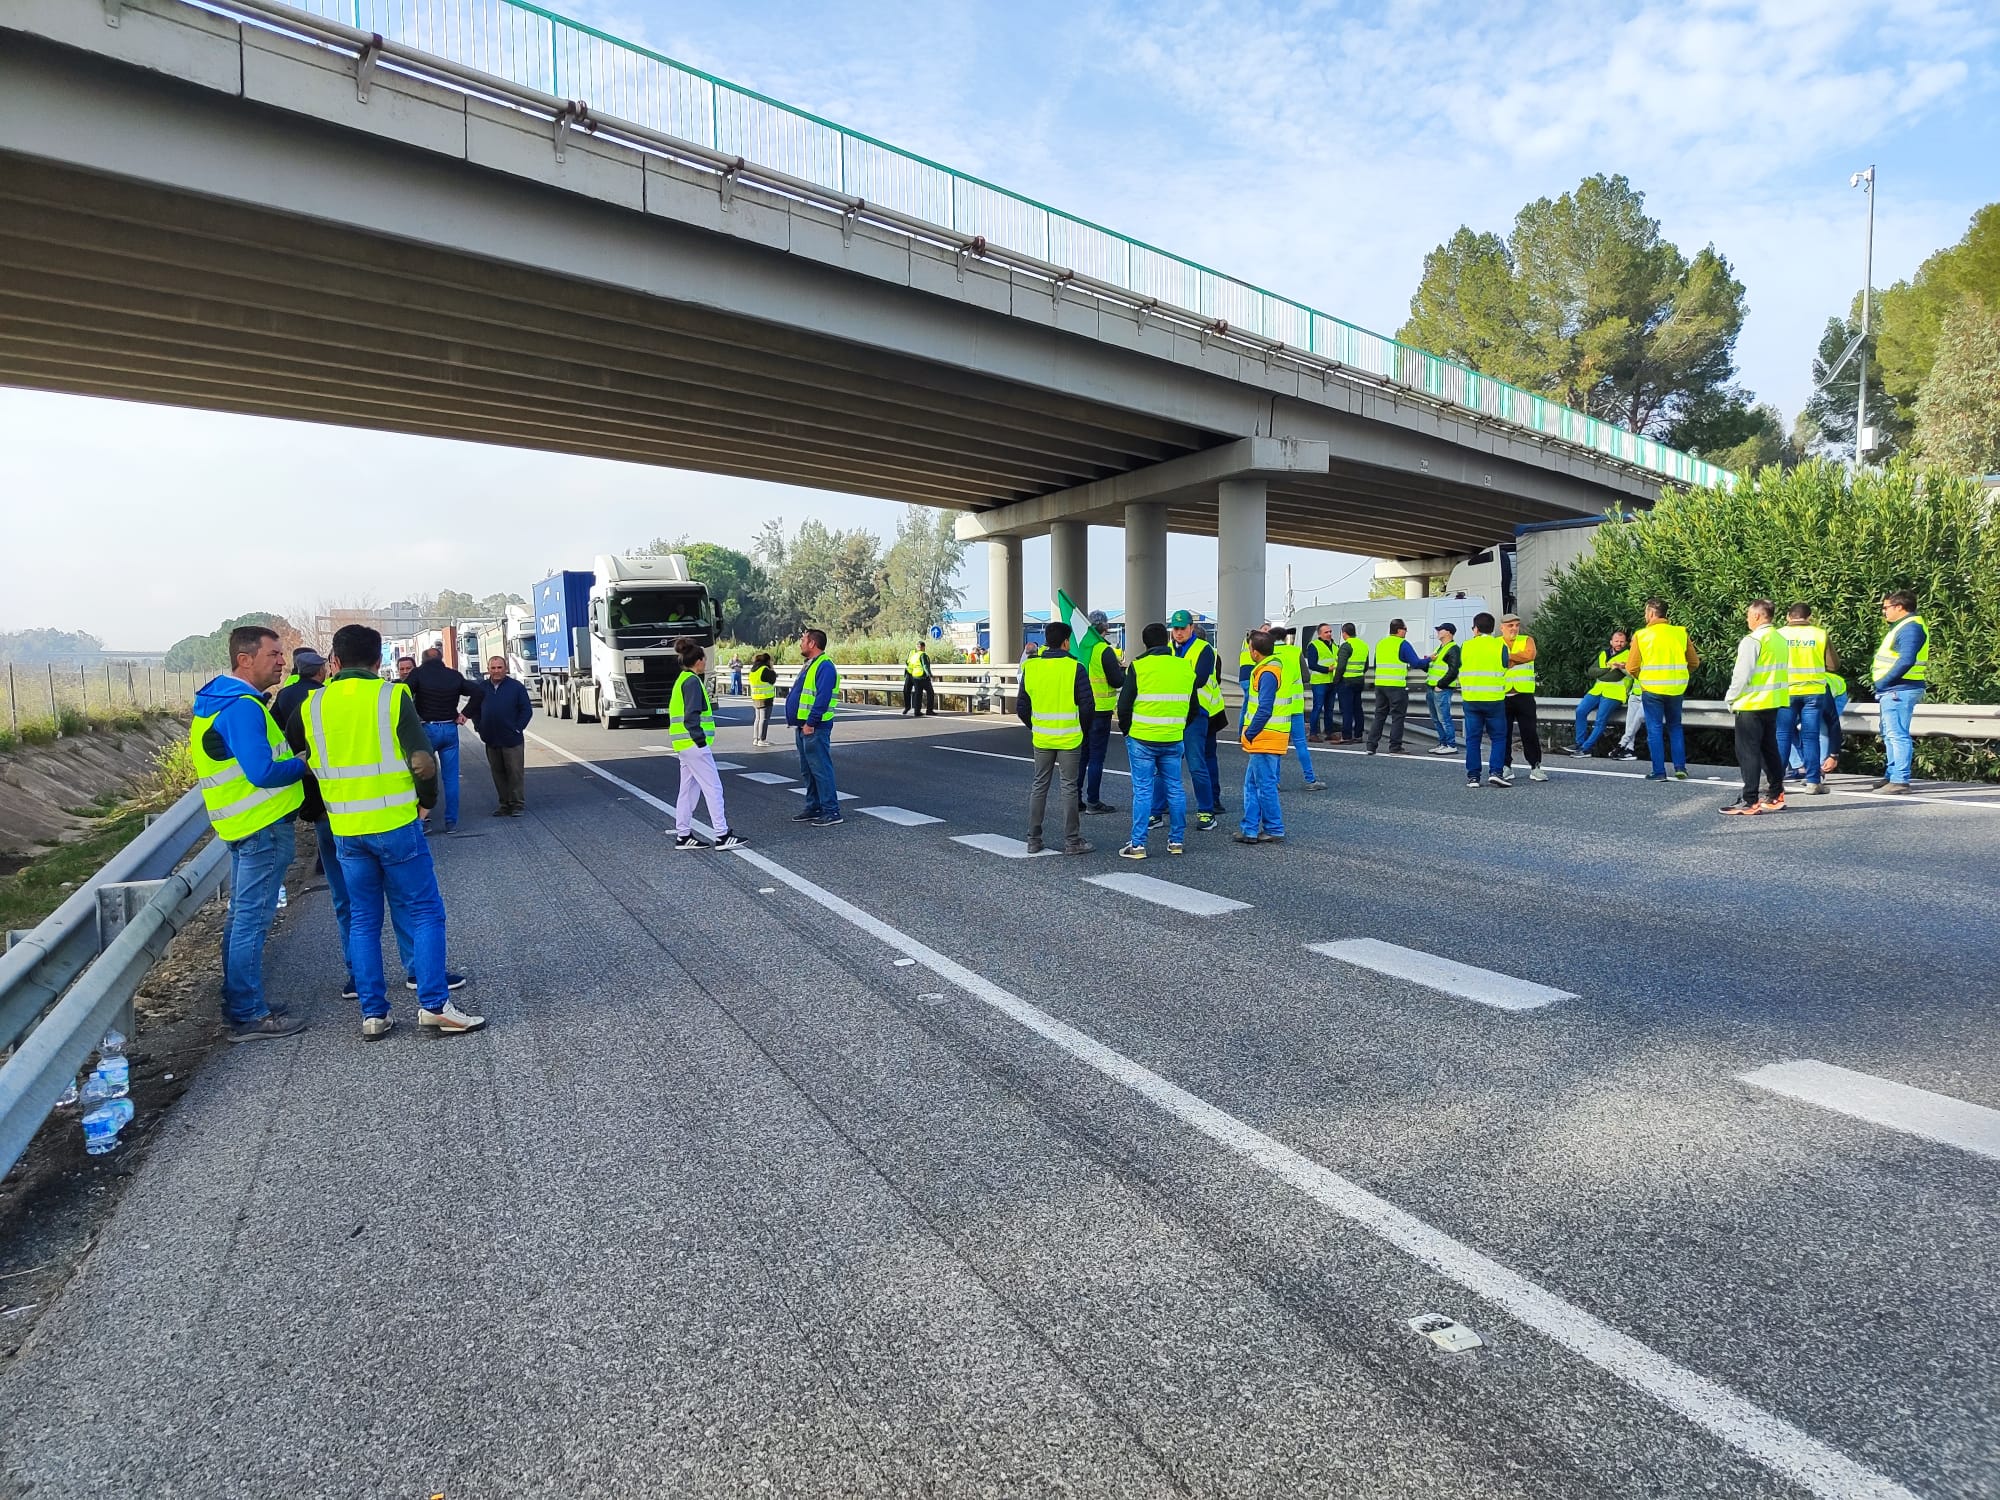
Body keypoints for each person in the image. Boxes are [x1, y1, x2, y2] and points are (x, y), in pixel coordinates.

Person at [305, 624, 483, 1038]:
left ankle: (374, 1014)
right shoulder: (390, 695)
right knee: (424, 910)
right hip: (395, 823)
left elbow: (311, 763)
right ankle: (434, 1005)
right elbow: (421, 759)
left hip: (346, 828)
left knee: (364, 920)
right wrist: (428, 800)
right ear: (376, 660)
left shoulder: (314, 705)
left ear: (334, 659)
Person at [189, 625, 311, 1042]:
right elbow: (263, 772)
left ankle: (241, 1002)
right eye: (274, 654)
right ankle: (248, 1013)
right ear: (245, 659)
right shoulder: (242, 707)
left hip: (242, 826)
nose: (282, 661)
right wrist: (303, 762)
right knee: (252, 920)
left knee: (242, 917)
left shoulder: (216, 702)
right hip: (262, 828)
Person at [1115, 622, 1194, 860]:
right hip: (1172, 737)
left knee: (1143, 790)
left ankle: (1138, 845)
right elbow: (1193, 707)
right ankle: (1176, 841)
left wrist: (1127, 731)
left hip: (1142, 738)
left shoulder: (1139, 666)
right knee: (1175, 788)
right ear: (1168, 638)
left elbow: (1124, 705)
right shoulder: (1184, 667)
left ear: (1145, 643)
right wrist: (1178, 726)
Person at [1016, 621, 1093, 855]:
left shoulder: (1032, 667)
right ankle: (1072, 841)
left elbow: (1021, 706)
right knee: (1069, 787)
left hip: (1042, 738)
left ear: (1047, 641)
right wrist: (1082, 729)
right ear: (1066, 642)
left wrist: (1036, 725)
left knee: (1039, 786)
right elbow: (1088, 706)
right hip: (1070, 738)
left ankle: (1033, 840)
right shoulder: (1075, 668)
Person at [666, 639, 746, 850]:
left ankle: (683, 835)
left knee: (688, 790)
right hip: (693, 744)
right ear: (698, 661)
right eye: (705, 659)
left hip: (683, 743)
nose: (705, 662)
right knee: (713, 788)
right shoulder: (692, 681)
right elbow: (691, 714)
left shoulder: (682, 679)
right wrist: (700, 739)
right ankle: (722, 834)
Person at [1722, 599, 1792, 816]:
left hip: (1751, 703)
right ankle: (1775, 794)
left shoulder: (1753, 640)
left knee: (1748, 753)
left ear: (1758, 616)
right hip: (1773, 702)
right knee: (1769, 750)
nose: (1746, 619)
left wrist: (1731, 698)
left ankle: (1749, 800)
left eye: (1748, 615)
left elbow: (1742, 675)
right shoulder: (1780, 639)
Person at [1152, 611, 1219, 830]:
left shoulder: (1204, 649)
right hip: (1171, 714)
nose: (1178, 632)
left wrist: (1173, 679)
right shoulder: (1168, 650)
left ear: (1191, 628)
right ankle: (1156, 812)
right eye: (1175, 628)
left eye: (1182, 628)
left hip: (1195, 714)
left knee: (1196, 763)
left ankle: (1206, 812)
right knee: (1163, 764)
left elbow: (1199, 679)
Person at [1628, 598, 1699, 782]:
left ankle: (1659, 771)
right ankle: (1680, 768)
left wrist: (1643, 678)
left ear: (1651, 613)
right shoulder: (1680, 633)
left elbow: (1632, 667)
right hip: (1676, 688)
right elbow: (1694, 662)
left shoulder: (1641, 635)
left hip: (1651, 688)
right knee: (1675, 727)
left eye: (1646, 612)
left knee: (1655, 729)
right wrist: (1679, 674)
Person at [406, 646, 476, 832]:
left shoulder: (418, 674)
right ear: (441, 658)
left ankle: (422, 820)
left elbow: (403, 694)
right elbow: (478, 692)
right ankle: (451, 822)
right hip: (450, 728)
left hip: (427, 729)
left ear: (422, 660)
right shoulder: (453, 675)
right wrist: (465, 714)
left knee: (423, 776)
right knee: (451, 778)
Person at [1776, 604, 1839, 796]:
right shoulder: (1819, 634)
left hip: (1785, 691)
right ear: (1810, 617)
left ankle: (1776, 782)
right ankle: (1813, 782)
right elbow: (1833, 665)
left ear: (1788, 616)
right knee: (1810, 736)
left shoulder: (1778, 635)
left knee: (1783, 735)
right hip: (1814, 691)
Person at [1232, 629, 1288, 844]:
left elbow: (1264, 708)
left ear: (1254, 651)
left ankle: (1273, 828)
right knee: (1253, 785)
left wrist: (1249, 732)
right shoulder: (1271, 667)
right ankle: (1250, 829)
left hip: (1265, 736)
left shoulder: (1267, 672)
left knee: (1263, 785)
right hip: (1269, 736)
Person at [1871, 590, 1929, 794]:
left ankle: (1900, 780)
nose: (1883, 611)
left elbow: (1906, 660)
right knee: (1890, 734)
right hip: (1896, 688)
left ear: (1899, 607)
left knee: (1897, 735)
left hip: (1899, 688)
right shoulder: (1904, 626)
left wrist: (1884, 681)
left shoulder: (1910, 628)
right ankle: (1892, 775)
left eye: (1886, 607)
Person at [788, 628, 842, 825]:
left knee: (820, 769)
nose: (800, 643)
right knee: (808, 770)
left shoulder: (825, 666)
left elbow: (822, 697)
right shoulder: (810, 665)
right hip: (803, 726)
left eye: (803, 640)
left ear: (812, 644)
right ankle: (814, 806)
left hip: (814, 727)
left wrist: (811, 722)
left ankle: (831, 811)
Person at [470, 654, 533, 816]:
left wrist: (518, 728)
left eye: (499, 667)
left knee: (515, 772)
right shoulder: (481, 688)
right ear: (488, 669)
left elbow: (526, 710)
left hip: (512, 739)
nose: (496, 671)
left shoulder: (516, 687)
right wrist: (479, 727)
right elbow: (474, 709)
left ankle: (517, 804)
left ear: (505, 669)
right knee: (498, 772)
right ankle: (504, 804)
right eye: (493, 668)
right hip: (491, 738)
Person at [1457, 613, 1511, 789]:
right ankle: (1496, 772)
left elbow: (1459, 665)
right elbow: (1505, 665)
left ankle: (1473, 777)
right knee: (1498, 737)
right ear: (1493, 628)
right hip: (1494, 698)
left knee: (1473, 738)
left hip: (1471, 698)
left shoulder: (1466, 645)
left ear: (1476, 629)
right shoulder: (1500, 645)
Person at [1080, 610, 1125, 815]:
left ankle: (1075, 800)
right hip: (1100, 710)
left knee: (1082, 756)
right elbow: (1116, 680)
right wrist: (1122, 670)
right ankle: (1093, 801)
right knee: (1096, 757)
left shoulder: (1080, 649)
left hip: (1081, 710)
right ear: (1105, 629)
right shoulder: (1103, 650)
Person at [1268, 627, 1324, 792]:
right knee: (1300, 744)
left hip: (1275, 708)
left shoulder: (1268, 654)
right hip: (1294, 705)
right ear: (1285, 638)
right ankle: (1310, 779)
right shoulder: (1294, 652)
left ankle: (1275, 781)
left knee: (1276, 747)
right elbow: (1306, 676)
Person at [1497, 614, 1548, 781]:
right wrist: (1516, 657)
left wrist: (1509, 658)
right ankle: (1506, 766)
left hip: (1523, 694)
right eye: (1510, 625)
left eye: (1516, 625)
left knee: (1529, 732)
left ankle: (1535, 766)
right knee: (1504, 733)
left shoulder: (1527, 640)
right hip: (1503, 694)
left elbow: (1529, 655)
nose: (1514, 628)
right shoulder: (1495, 643)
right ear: (1502, 627)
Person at [1565, 629, 1631, 757]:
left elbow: (1614, 677)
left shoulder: (1628, 654)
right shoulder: (1604, 653)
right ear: (1611, 642)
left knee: (1600, 720)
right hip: (1597, 690)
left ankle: (1586, 748)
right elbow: (1591, 671)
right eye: (1616, 641)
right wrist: (1608, 668)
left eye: (1622, 642)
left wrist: (1608, 671)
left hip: (1615, 692)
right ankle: (1579, 743)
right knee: (1580, 711)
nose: (1619, 644)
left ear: (1626, 643)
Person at [1365, 618, 1424, 754]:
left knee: (1379, 715)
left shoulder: (1381, 643)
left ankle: (1371, 746)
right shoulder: (1403, 644)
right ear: (1399, 630)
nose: (1406, 632)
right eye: (1405, 629)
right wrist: (1429, 660)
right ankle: (1395, 747)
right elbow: (1415, 663)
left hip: (1380, 685)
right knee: (1397, 717)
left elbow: (1376, 662)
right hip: (1396, 686)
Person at [1423, 623, 1461, 755]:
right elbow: (1432, 667)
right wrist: (1426, 661)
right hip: (1432, 686)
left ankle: (1451, 744)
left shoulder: (1453, 648)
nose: (1438, 631)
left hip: (1441, 689)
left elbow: (1454, 670)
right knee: (1436, 718)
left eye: (1441, 629)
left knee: (1444, 718)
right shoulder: (1439, 648)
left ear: (1449, 632)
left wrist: (1441, 685)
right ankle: (1443, 743)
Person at [1304, 623, 1340, 742]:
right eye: (1326, 632)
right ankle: (1313, 733)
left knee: (1329, 709)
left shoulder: (1334, 645)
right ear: (1319, 634)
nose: (1329, 634)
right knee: (1318, 707)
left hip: (1331, 681)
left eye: (1330, 631)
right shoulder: (1314, 645)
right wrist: (1326, 669)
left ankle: (1329, 732)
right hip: (1320, 681)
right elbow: (1312, 665)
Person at [1334, 623, 1366, 743]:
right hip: (1359, 680)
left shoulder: (1346, 646)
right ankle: (1358, 735)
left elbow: (1341, 666)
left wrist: (1336, 680)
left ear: (1344, 633)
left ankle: (1346, 736)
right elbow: (1366, 665)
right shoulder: (1363, 645)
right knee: (1358, 709)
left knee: (1347, 710)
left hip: (1346, 682)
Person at [747, 651, 778, 745]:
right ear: (767, 660)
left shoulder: (753, 670)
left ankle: (756, 739)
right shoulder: (764, 670)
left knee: (758, 718)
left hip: (756, 697)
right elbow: (772, 679)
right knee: (764, 719)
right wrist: (772, 669)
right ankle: (762, 739)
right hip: (765, 698)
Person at [902, 643, 939, 717]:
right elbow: (925, 666)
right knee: (930, 692)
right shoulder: (922, 655)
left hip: (914, 675)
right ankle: (928, 710)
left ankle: (917, 711)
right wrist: (930, 675)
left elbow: (907, 662)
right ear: (923, 647)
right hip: (921, 676)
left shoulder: (914, 654)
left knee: (918, 694)